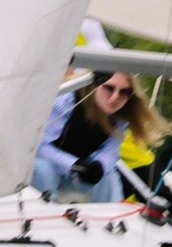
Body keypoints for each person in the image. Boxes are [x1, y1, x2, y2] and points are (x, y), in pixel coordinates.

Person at [32, 69, 148, 202]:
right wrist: (72, 164)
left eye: (124, 92)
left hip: (76, 175)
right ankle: (44, 212)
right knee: (42, 169)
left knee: (107, 175)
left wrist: (100, 165)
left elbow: (111, 152)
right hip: (48, 166)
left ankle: (109, 218)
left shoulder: (121, 116)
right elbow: (38, 146)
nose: (115, 97)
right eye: (109, 88)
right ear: (95, 85)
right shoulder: (66, 100)